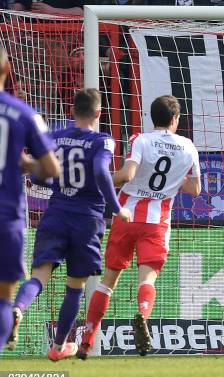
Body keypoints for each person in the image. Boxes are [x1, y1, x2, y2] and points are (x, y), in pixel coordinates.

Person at [7, 89, 131, 360]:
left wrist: (54, 181)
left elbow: (40, 179)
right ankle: (59, 347)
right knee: (75, 287)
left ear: (72, 111)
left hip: (56, 214)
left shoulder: (54, 137)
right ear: (99, 113)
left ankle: (17, 308)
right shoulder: (103, 141)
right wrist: (117, 207)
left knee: (39, 276)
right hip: (87, 221)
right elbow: (100, 171)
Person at [77, 95, 201, 359]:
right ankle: (142, 314)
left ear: (151, 117)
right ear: (176, 119)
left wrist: (98, 178)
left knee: (107, 282)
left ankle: (86, 340)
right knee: (147, 279)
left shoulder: (140, 140)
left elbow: (127, 176)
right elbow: (195, 189)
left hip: (126, 216)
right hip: (157, 223)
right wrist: (173, 178)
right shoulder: (188, 147)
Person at [0, 46, 60, 353]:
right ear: (8, 70)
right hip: (6, 213)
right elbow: (50, 170)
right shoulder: (24, 114)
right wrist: (26, 165)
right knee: (4, 298)